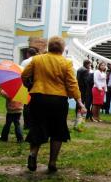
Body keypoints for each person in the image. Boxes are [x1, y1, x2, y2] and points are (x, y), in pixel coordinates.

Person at [21, 36, 86, 173]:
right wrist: (79, 101)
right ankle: (52, 162)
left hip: (38, 97)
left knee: (37, 126)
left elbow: (25, 74)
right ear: (62, 49)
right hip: (58, 99)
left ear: (49, 47)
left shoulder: (37, 59)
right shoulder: (66, 63)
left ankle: (33, 154)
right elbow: (72, 83)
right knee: (57, 130)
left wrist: (29, 84)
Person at [20, 47, 39, 130]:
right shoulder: (39, 60)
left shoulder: (25, 62)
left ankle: (26, 124)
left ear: (28, 54)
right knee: (35, 105)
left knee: (27, 105)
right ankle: (34, 123)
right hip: (37, 85)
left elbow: (21, 73)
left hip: (27, 85)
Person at [75, 60, 91, 128]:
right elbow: (86, 81)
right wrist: (88, 88)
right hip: (84, 89)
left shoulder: (79, 69)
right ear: (87, 64)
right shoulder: (85, 70)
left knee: (78, 102)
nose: (90, 66)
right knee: (82, 102)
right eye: (89, 65)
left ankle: (77, 116)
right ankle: (80, 117)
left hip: (79, 87)